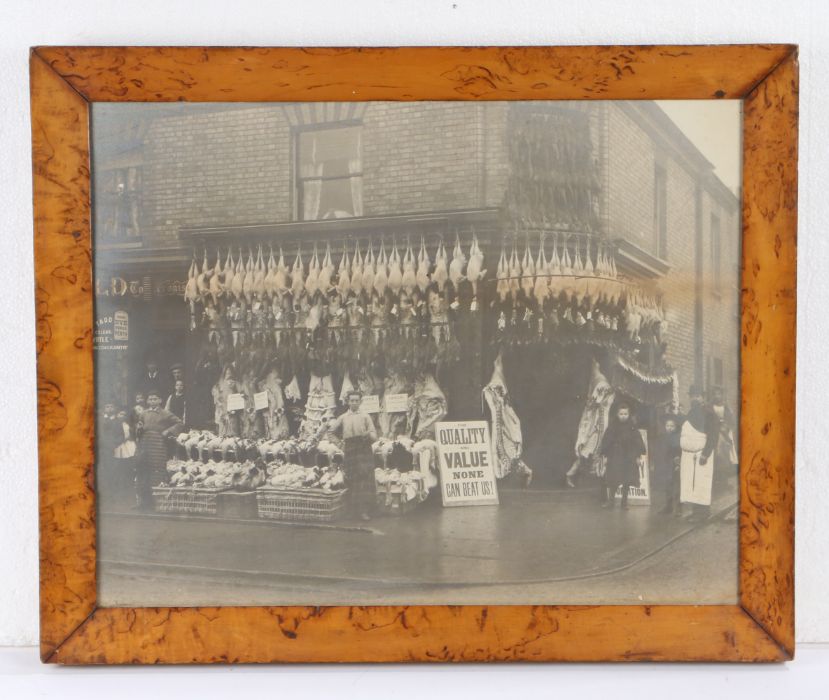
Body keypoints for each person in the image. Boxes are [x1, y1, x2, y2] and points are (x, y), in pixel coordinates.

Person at [325, 390, 378, 521]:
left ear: (361, 402)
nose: (354, 403)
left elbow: (374, 435)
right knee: (352, 477)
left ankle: (364, 510)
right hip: (350, 449)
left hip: (364, 448)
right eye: (352, 400)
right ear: (348, 401)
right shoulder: (343, 417)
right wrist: (340, 445)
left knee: (365, 478)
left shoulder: (366, 416)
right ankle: (352, 510)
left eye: (356, 400)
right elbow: (330, 432)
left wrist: (369, 436)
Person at [134, 388, 185, 511]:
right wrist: (139, 428)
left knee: (157, 471)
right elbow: (139, 428)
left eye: (155, 399)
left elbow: (179, 423)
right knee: (142, 472)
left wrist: (168, 431)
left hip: (158, 445)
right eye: (150, 399)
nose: (152, 401)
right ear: (147, 401)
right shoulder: (143, 413)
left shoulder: (165, 413)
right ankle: (142, 502)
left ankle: (157, 502)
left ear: (160, 400)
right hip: (144, 445)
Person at [566, 359, 615, 487]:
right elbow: (594, 405)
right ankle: (572, 474)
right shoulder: (602, 383)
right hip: (599, 422)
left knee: (596, 449)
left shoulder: (600, 382)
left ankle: (594, 477)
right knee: (590, 448)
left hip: (601, 420)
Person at [679, 384, 720, 522]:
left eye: (697, 396)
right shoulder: (691, 413)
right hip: (692, 454)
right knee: (693, 481)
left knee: (702, 481)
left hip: (704, 453)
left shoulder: (709, 413)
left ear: (702, 397)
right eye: (692, 396)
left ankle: (703, 512)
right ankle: (696, 511)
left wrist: (706, 454)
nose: (694, 398)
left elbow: (714, 435)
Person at [598, 401, 646, 510]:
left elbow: (637, 442)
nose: (623, 416)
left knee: (626, 480)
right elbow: (607, 441)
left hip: (628, 457)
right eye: (621, 414)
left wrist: (638, 456)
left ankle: (624, 503)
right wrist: (606, 455)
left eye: (625, 414)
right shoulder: (612, 426)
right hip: (615, 456)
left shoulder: (632, 427)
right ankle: (611, 502)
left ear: (629, 415)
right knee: (613, 479)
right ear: (617, 414)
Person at [655, 414, 682, 515]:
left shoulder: (678, 437)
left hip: (675, 464)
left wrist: (678, 464)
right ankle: (668, 506)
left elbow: (678, 451)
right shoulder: (663, 437)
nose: (669, 428)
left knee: (677, 486)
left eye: (672, 426)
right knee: (668, 485)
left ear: (676, 427)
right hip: (666, 464)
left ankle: (679, 507)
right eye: (667, 426)